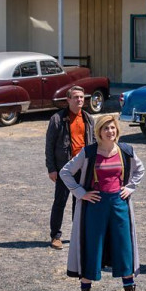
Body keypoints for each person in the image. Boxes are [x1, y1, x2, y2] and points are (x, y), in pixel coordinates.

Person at [59, 114, 146, 291]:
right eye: (106, 128)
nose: (110, 132)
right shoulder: (89, 152)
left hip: (119, 204)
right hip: (96, 206)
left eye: (113, 128)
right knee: (92, 248)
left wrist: (131, 188)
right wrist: (81, 193)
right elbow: (66, 172)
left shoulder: (125, 150)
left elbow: (139, 170)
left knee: (124, 247)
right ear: (99, 132)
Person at [45, 86, 95, 250]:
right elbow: (49, 145)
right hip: (64, 168)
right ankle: (55, 236)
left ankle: (78, 234)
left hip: (84, 167)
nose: (79, 100)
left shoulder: (88, 118)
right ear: (68, 100)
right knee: (60, 201)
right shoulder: (58, 119)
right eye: (76, 97)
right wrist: (51, 168)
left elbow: (94, 143)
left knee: (80, 201)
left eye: (81, 97)